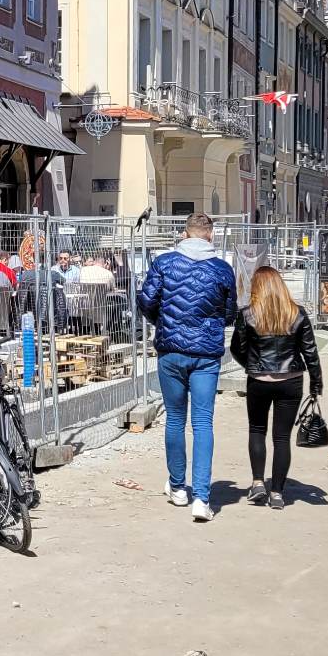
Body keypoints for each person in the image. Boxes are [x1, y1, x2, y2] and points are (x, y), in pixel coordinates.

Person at [137, 212, 238, 522]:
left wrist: (163, 322)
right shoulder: (222, 269)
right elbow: (231, 311)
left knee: (175, 418)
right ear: (210, 236)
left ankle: (179, 488)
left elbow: (145, 299)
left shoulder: (164, 263)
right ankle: (202, 499)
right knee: (203, 422)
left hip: (170, 350)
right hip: (206, 353)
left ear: (184, 234)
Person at [230, 267, 323, 511]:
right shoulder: (296, 313)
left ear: (257, 288)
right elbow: (310, 352)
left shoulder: (248, 314)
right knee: (282, 438)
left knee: (257, 430)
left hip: (259, 379)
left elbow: (236, 348)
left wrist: (251, 364)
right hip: (291, 379)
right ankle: (278, 493)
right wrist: (316, 383)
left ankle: (258, 483)